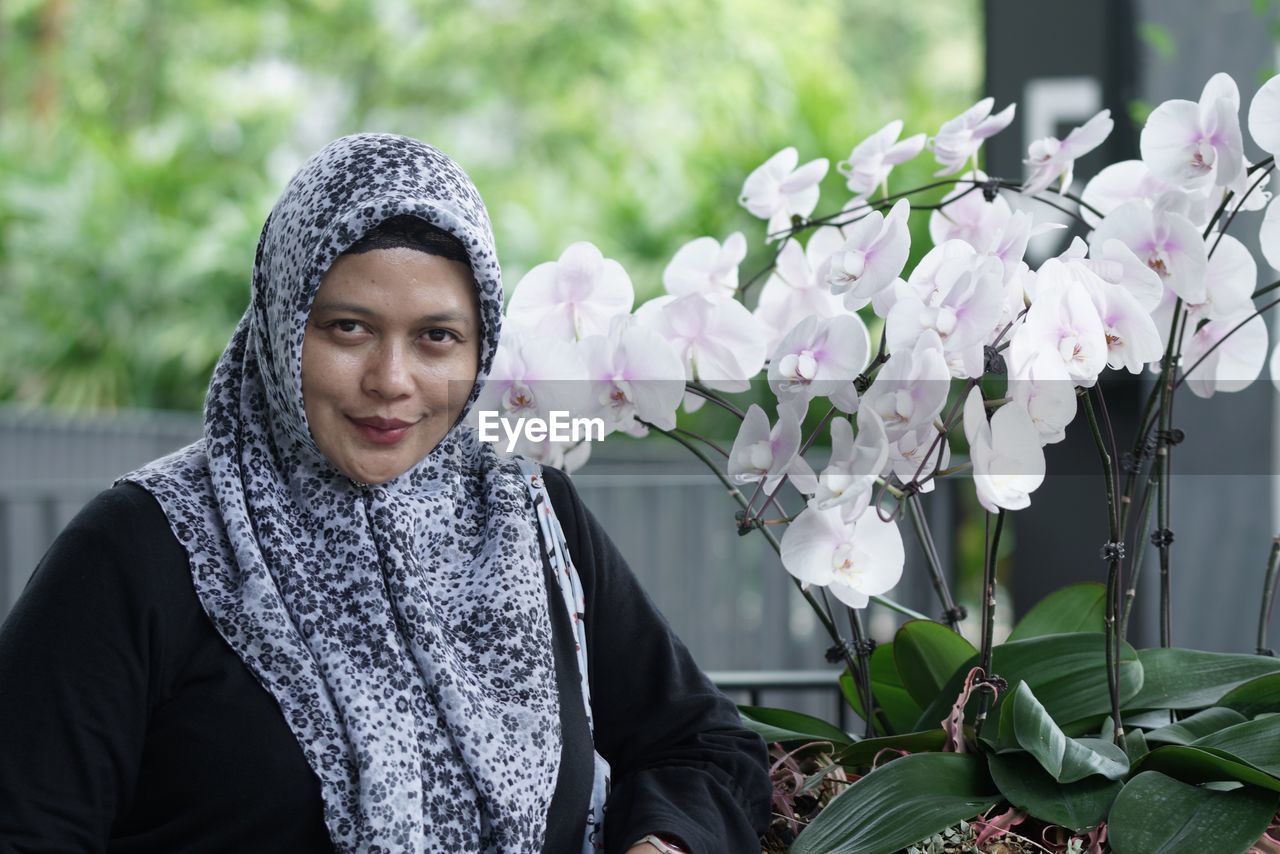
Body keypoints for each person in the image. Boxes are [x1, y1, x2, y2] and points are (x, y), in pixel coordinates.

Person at [0, 134, 772, 852]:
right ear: (279, 322)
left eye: (438, 337)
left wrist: (662, 844)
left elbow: (703, 747)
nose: (391, 381)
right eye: (347, 328)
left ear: (481, 350)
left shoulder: (530, 514)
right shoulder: (140, 547)